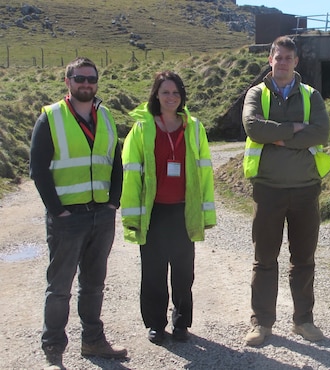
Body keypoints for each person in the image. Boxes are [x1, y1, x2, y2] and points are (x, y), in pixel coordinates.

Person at [30, 57, 127, 369]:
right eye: (79, 78)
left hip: (101, 215)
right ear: (67, 81)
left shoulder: (107, 116)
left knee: (94, 285)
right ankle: (54, 351)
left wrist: (114, 202)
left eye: (91, 78)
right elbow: (38, 170)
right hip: (67, 219)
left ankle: (93, 341)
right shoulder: (51, 117)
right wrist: (57, 211)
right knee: (59, 288)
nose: (86, 83)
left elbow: (115, 163)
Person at [241, 36, 330, 346]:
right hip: (268, 189)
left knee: (304, 259)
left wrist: (277, 136)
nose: (282, 62)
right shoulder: (257, 93)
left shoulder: (311, 95)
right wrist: (295, 129)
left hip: (306, 189)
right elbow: (254, 127)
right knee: (264, 259)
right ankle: (261, 323)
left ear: (296, 62)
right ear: (270, 59)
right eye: (278, 57)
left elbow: (321, 132)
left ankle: (303, 321)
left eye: (288, 58)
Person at [121, 71, 216, 345]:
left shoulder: (194, 127)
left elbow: (205, 171)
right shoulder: (142, 128)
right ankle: (155, 324)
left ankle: (181, 323)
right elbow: (131, 174)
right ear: (156, 95)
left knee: (184, 272)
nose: (171, 97)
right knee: (153, 271)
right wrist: (131, 216)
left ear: (182, 96)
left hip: (184, 210)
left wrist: (206, 212)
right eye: (165, 92)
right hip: (154, 212)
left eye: (175, 92)